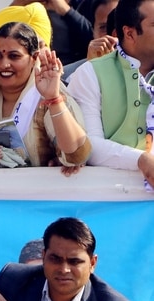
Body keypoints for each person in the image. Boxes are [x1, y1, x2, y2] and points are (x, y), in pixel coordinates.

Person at [0, 21, 90, 173]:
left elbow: (77, 156)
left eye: (14, 56)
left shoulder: (46, 99)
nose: (4, 64)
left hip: (39, 195)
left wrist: (53, 99)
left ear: (34, 58)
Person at [0, 217, 135, 301]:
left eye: (74, 261)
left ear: (92, 263)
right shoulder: (14, 279)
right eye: (55, 259)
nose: (64, 269)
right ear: (43, 256)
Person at [67, 0, 154, 187]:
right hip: (107, 202)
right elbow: (89, 146)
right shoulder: (89, 74)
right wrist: (142, 160)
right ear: (129, 33)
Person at [11, 0, 94, 65]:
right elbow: (2, 34)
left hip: (72, 67)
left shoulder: (86, 4)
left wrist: (66, 11)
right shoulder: (24, 7)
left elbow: (93, 37)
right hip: (31, 65)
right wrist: (18, 5)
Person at [63, 0, 119, 83]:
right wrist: (90, 68)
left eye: (118, 25)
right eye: (103, 27)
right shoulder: (66, 76)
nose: (112, 34)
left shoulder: (143, 69)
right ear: (93, 31)